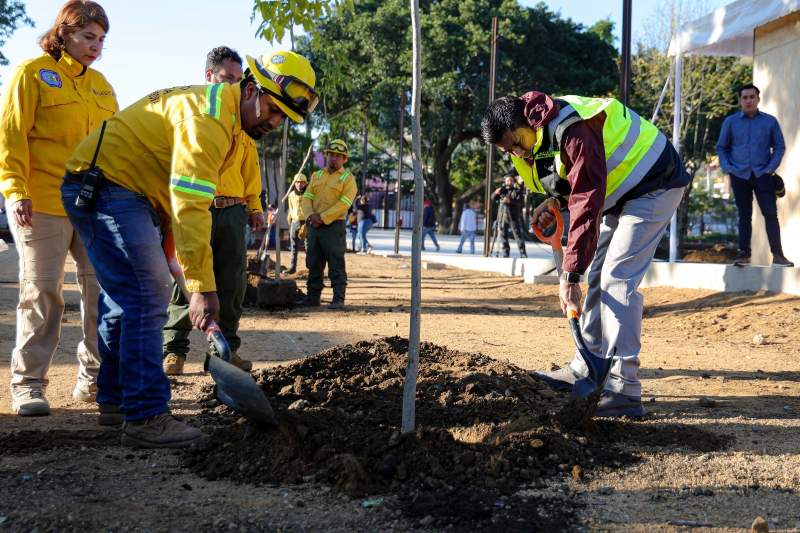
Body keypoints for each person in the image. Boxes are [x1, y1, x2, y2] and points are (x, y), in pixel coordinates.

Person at [62, 50, 317, 447]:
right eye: (272, 109)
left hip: (126, 191)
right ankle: (146, 416)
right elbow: (191, 207)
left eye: (283, 116)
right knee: (149, 295)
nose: (274, 121)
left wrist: (190, 273)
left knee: (123, 299)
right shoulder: (208, 120)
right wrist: (201, 288)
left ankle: (115, 401)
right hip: (108, 187)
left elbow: (176, 203)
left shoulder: (230, 120)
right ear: (250, 89)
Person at [481, 91, 689, 417]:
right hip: (620, 195)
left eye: (516, 142)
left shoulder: (574, 128)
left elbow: (589, 197)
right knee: (597, 276)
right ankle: (587, 366)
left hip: (656, 181)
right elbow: (574, 185)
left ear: (529, 121)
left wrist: (570, 275)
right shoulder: (535, 141)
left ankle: (623, 387)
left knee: (616, 278)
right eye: (508, 150)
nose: (517, 152)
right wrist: (554, 204)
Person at [0, 1, 116, 416]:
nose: (96, 46)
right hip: (42, 202)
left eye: (101, 39)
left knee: (99, 293)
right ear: (64, 32)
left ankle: (94, 377)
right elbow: (10, 137)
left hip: (93, 206)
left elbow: (114, 149)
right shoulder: (32, 74)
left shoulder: (102, 86)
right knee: (42, 293)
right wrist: (15, 190)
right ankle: (28, 384)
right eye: (88, 36)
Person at [162, 46, 263, 377]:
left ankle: (226, 351)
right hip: (197, 208)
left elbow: (251, 171)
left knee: (232, 284)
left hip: (232, 212)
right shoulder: (197, 116)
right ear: (209, 76)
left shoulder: (242, 123)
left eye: (238, 80)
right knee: (187, 282)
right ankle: (173, 350)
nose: (234, 86)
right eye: (227, 78)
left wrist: (255, 206)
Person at [716, 83, 792, 267]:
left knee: (770, 214)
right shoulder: (730, 122)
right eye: (745, 97)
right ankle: (743, 255)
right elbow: (722, 147)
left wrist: (770, 168)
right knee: (744, 215)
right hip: (739, 175)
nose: (748, 100)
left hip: (762, 174)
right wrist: (729, 168)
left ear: (758, 99)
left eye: (752, 97)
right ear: (740, 100)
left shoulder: (770, 122)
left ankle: (778, 255)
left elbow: (779, 146)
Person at [300, 139, 357, 310]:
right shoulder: (316, 176)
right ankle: (312, 298)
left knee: (336, 262)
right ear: (327, 156)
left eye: (339, 156)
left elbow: (344, 204)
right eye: (332, 155)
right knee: (314, 262)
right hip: (314, 227)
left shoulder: (348, 179)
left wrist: (322, 217)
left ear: (344, 159)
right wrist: (310, 216)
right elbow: (306, 198)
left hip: (333, 227)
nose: (334, 159)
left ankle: (338, 299)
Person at [492, 174, 527, 258]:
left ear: (513, 181)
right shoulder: (502, 190)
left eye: (511, 180)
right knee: (503, 235)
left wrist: (509, 201)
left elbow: (520, 202)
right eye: (507, 180)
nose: (509, 182)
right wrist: (495, 193)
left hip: (513, 217)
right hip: (502, 216)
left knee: (518, 235)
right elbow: (493, 199)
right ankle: (505, 253)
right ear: (505, 181)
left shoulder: (517, 190)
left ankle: (523, 253)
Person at [286, 173, 308, 274]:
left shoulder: (309, 195)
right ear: (294, 184)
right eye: (298, 182)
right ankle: (292, 267)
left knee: (309, 247)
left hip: (306, 222)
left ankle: (311, 268)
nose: (300, 184)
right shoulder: (291, 195)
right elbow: (290, 208)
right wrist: (289, 220)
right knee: (293, 246)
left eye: (302, 183)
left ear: (305, 183)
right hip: (295, 222)